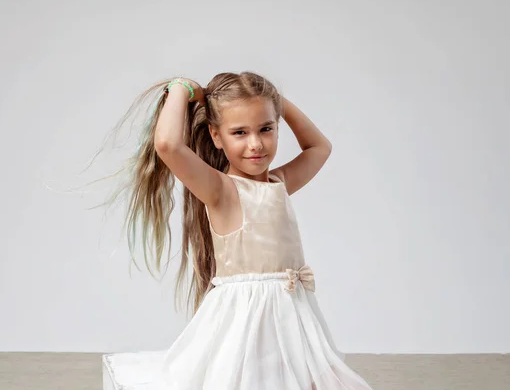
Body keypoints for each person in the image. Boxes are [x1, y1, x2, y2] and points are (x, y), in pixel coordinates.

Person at [111, 72, 373, 389]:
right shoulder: (221, 190)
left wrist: (277, 103)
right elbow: (168, 144)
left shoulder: (279, 184)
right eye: (239, 132)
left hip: (291, 316)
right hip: (244, 321)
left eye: (266, 128)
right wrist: (180, 88)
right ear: (217, 137)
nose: (256, 144)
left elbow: (320, 147)